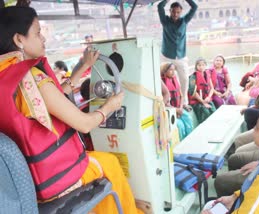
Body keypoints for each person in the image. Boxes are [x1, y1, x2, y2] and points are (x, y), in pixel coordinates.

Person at [0, 7, 142, 214]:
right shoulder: (32, 79)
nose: (43, 38)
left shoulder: (6, 76)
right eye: (38, 32)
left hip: (26, 182)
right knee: (109, 162)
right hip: (53, 179)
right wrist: (109, 107)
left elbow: (51, 100)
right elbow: (85, 124)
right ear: (19, 39)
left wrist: (82, 67)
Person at [158, 0, 198, 110]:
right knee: (160, 79)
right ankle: (165, 101)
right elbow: (160, 6)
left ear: (181, 12)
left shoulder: (184, 20)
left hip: (181, 56)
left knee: (184, 79)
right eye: (173, 12)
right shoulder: (165, 21)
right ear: (170, 11)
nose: (175, 14)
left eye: (178, 12)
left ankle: (184, 102)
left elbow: (194, 7)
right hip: (166, 55)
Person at [161, 62, 193, 140]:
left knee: (188, 118)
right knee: (180, 125)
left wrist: (180, 108)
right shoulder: (162, 83)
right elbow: (164, 103)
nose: (173, 72)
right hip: (170, 110)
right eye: (170, 70)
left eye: (174, 70)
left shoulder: (175, 80)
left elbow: (181, 96)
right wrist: (176, 110)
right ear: (164, 71)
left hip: (179, 108)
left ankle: (190, 139)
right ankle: (182, 143)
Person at [188, 58, 216, 123]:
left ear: (205, 66)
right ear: (196, 66)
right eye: (199, 65)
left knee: (214, 111)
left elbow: (212, 88)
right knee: (206, 113)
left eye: (203, 65)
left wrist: (209, 97)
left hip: (206, 99)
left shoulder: (207, 74)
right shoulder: (193, 77)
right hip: (197, 101)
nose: (201, 67)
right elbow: (193, 92)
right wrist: (203, 102)